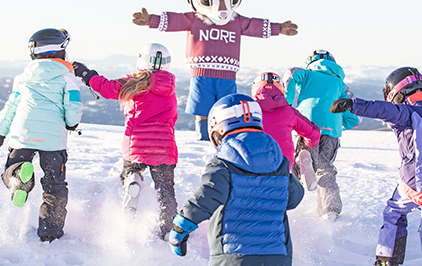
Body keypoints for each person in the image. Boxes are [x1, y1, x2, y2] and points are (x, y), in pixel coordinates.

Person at [132, 0, 298, 141]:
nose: (221, 8)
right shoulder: (194, 18)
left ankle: (226, 137)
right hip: (202, 73)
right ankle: (203, 137)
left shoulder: (237, 21)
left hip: (227, 74)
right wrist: (151, 20)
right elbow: (174, 20)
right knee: (202, 107)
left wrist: (279, 28)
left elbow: (255, 26)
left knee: (227, 107)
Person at [168, 93, 304, 266]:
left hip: (233, 255)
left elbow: (207, 197)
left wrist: (181, 227)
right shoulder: (279, 161)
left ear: (218, 129)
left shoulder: (224, 162)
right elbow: (294, 198)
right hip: (277, 255)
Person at [72, 43, 178, 239]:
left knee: (131, 169)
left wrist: (86, 74)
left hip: (137, 142)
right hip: (164, 146)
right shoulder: (170, 86)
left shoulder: (134, 81)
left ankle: (132, 178)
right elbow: (173, 117)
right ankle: (169, 229)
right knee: (166, 191)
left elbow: (107, 88)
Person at [330, 66, 422, 266]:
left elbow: (383, 109)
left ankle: (386, 261)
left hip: (414, 182)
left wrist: (353, 105)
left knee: (394, 214)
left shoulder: (406, 112)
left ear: (396, 94)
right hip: (413, 183)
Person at [0, 28, 82, 242]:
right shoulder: (67, 78)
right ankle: (50, 233)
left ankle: (18, 177)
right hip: (53, 140)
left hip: (22, 135)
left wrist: (1, 133)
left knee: (10, 169)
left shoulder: (23, 77)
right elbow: (73, 106)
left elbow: (10, 107)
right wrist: (71, 124)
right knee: (54, 187)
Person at [283, 49, 359, 221]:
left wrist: (286, 104)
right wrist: (338, 125)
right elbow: (353, 117)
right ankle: (329, 210)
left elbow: (292, 76)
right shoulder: (340, 84)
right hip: (331, 130)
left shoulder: (307, 74)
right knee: (325, 170)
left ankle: (286, 201)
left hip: (306, 126)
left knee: (295, 167)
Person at [251, 71, 321, 190]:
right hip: (283, 162)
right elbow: (313, 133)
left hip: (253, 161)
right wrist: (309, 143)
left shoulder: (248, 110)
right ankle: (299, 164)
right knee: (282, 188)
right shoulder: (289, 112)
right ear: (282, 90)